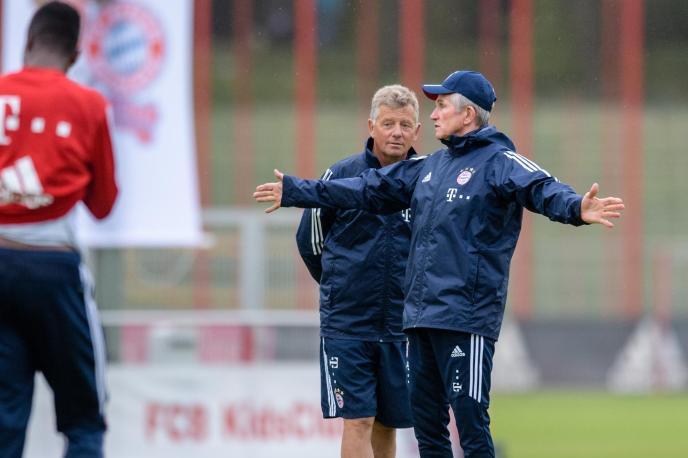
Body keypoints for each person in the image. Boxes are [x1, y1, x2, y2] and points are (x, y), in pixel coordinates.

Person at [253, 70, 624, 457]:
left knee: (471, 426)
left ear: (467, 115)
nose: (433, 115)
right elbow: (366, 187)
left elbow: (542, 187)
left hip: (466, 317)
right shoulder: (429, 167)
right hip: (418, 321)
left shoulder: (500, 161)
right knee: (429, 430)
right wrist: (297, 190)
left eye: (442, 105)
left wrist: (576, 208)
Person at [0, 3, 117, 457]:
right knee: (84, 421)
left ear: (27, 44)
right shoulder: (88, 104)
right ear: (74, 56)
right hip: (56, 270)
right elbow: (103, 204)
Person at [296, 85, 421, 458]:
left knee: (388, 422)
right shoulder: (341, 175)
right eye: (388, 123)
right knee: (359, 420)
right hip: (348, 323)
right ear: (371, 126)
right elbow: (310, 240)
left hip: (404, 323)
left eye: (404, 124)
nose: (396, 131)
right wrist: (339, 283)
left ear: (417, 132)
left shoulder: (427, 181)